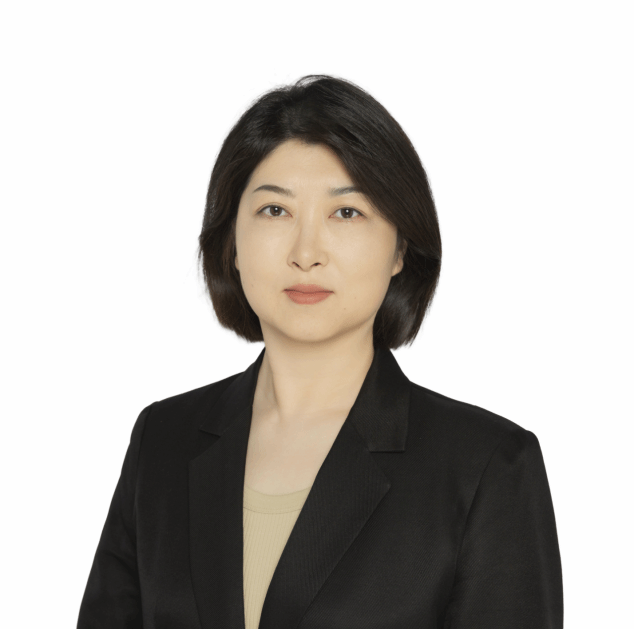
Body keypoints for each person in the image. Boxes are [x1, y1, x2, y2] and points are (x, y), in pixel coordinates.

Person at [77, 74, 563, 629]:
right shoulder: (163, 440)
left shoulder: (487, 466)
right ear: (231, 242)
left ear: (400, 248)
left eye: (346, 213)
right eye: (275, 211)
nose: (306, 252)